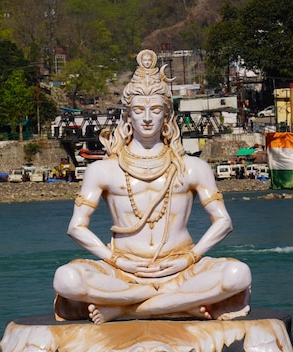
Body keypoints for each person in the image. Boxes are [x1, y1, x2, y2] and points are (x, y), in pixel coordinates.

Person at [53, 50, 251, 325]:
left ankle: (130, 309)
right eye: (138, 110)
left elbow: (223, 222)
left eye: (155, 110)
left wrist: (189, 258)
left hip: (181, 266)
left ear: (167, 116)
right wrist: (116, 261)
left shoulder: (192, 167)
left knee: (238, 274)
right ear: (128, 116)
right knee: (66, 279)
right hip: (123, 270)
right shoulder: (104, 169)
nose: (147, 118)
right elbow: (76, 227)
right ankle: (174, 303)